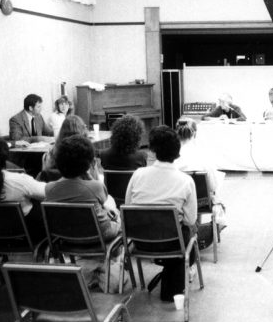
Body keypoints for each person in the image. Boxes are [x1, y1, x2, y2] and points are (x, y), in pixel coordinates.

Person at [125, 125, 198, 301]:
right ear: (177, 151)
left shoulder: (138, 175)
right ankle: (180, 274)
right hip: (173, 244)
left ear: (153, 150)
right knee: (189, 229)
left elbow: (128, 207)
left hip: (141, 243)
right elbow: (190, 219)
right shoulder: (186, 181)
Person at [45, 135, 120, 242]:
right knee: (115, 211)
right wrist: (92, 175)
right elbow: (103, 200)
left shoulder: (49, 188)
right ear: (90, 163)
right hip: (100, 234)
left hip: (67, 236)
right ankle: (118, 254)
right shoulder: (96, 186)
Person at [0, 136, 47, 240]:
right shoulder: (21, 180)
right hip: (25, 238)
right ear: (6, 157)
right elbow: (48, 193)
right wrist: (43, 172)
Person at [39, 115, 100, 182]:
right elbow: (96, 181)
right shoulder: (88, 157)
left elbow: (44, 179)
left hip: (55, 189)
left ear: (62, 132)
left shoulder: (49, 156)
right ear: (82, 133)